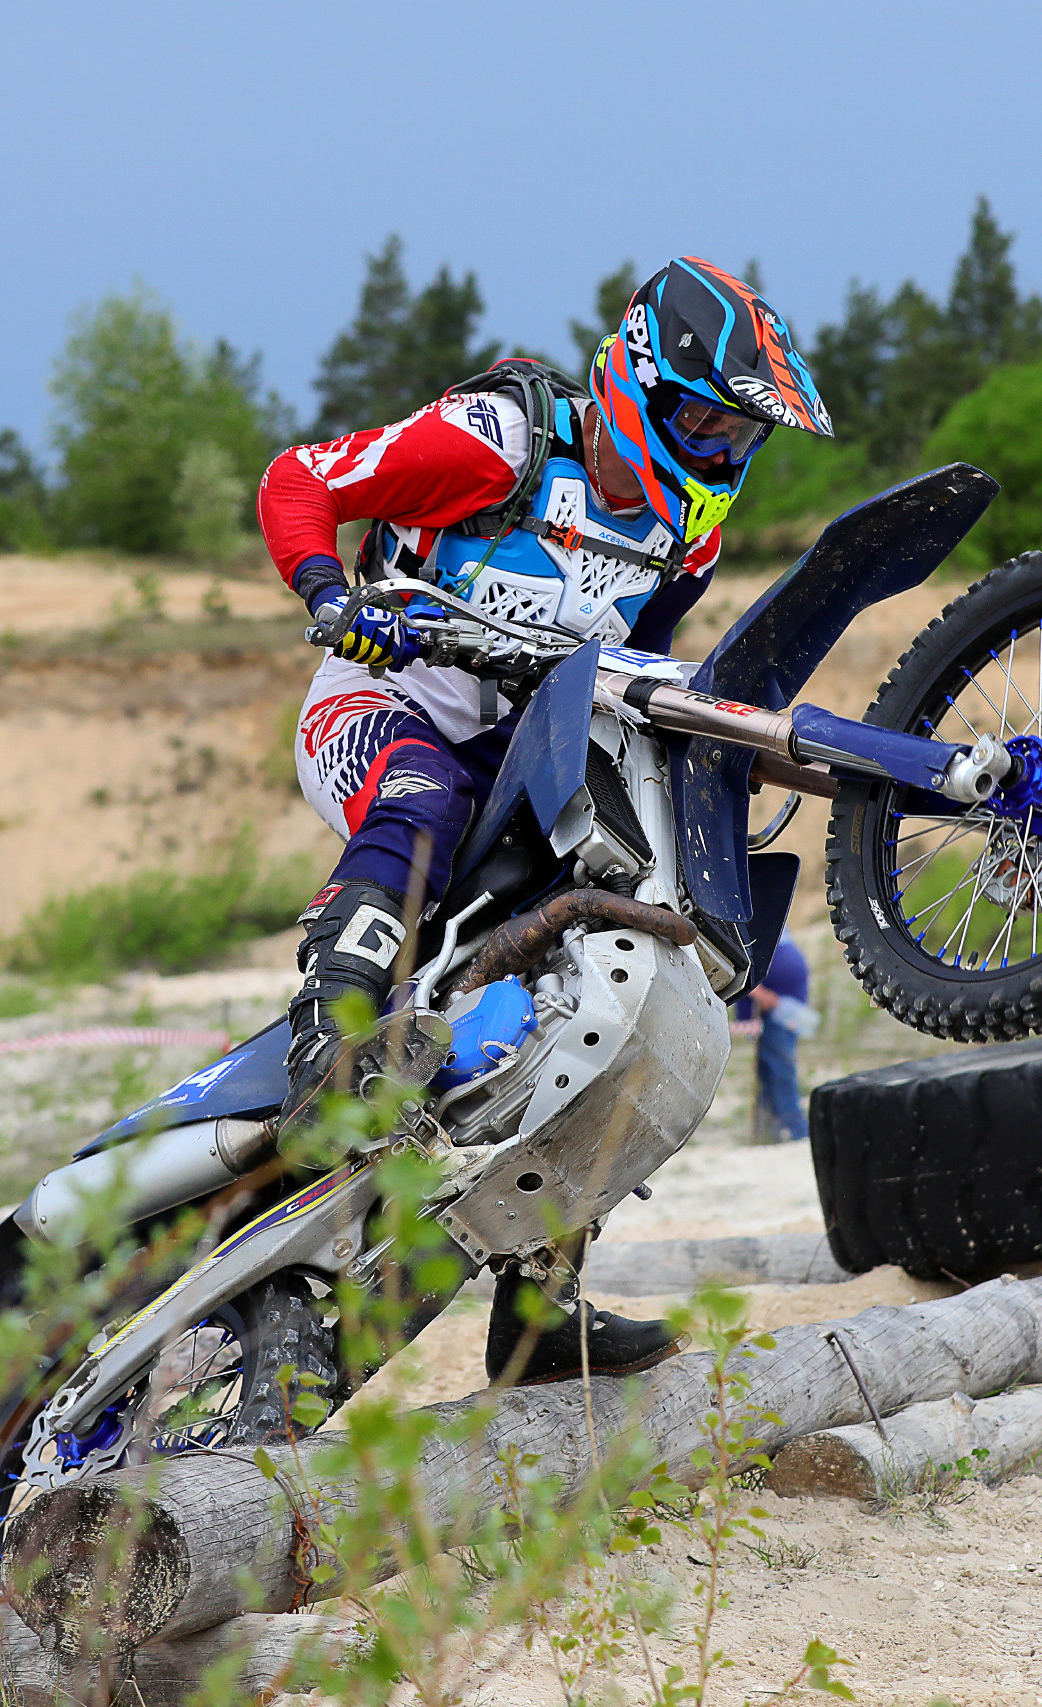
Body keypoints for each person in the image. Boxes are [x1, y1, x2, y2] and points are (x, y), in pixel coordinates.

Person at [257, 257, 832, 1382]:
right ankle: (323, 1044)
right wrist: (330, 593)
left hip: (523, 758)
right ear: (640, 381)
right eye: (706, 422)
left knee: (606, 980)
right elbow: (299, 477)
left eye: (738, 438)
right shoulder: (495, 443)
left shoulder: (686, 537)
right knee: (417, 803)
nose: (720, 454)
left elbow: (639, 657)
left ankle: (537, 1316)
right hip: (385, 706)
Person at [735, 930, 818, 1143]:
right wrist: (758, 993)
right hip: (773, 1008)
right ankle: (783, 1129)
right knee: (775, 1071)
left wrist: (759, 993)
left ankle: (783, 1130)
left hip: (780, 1010)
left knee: (777, 1072)